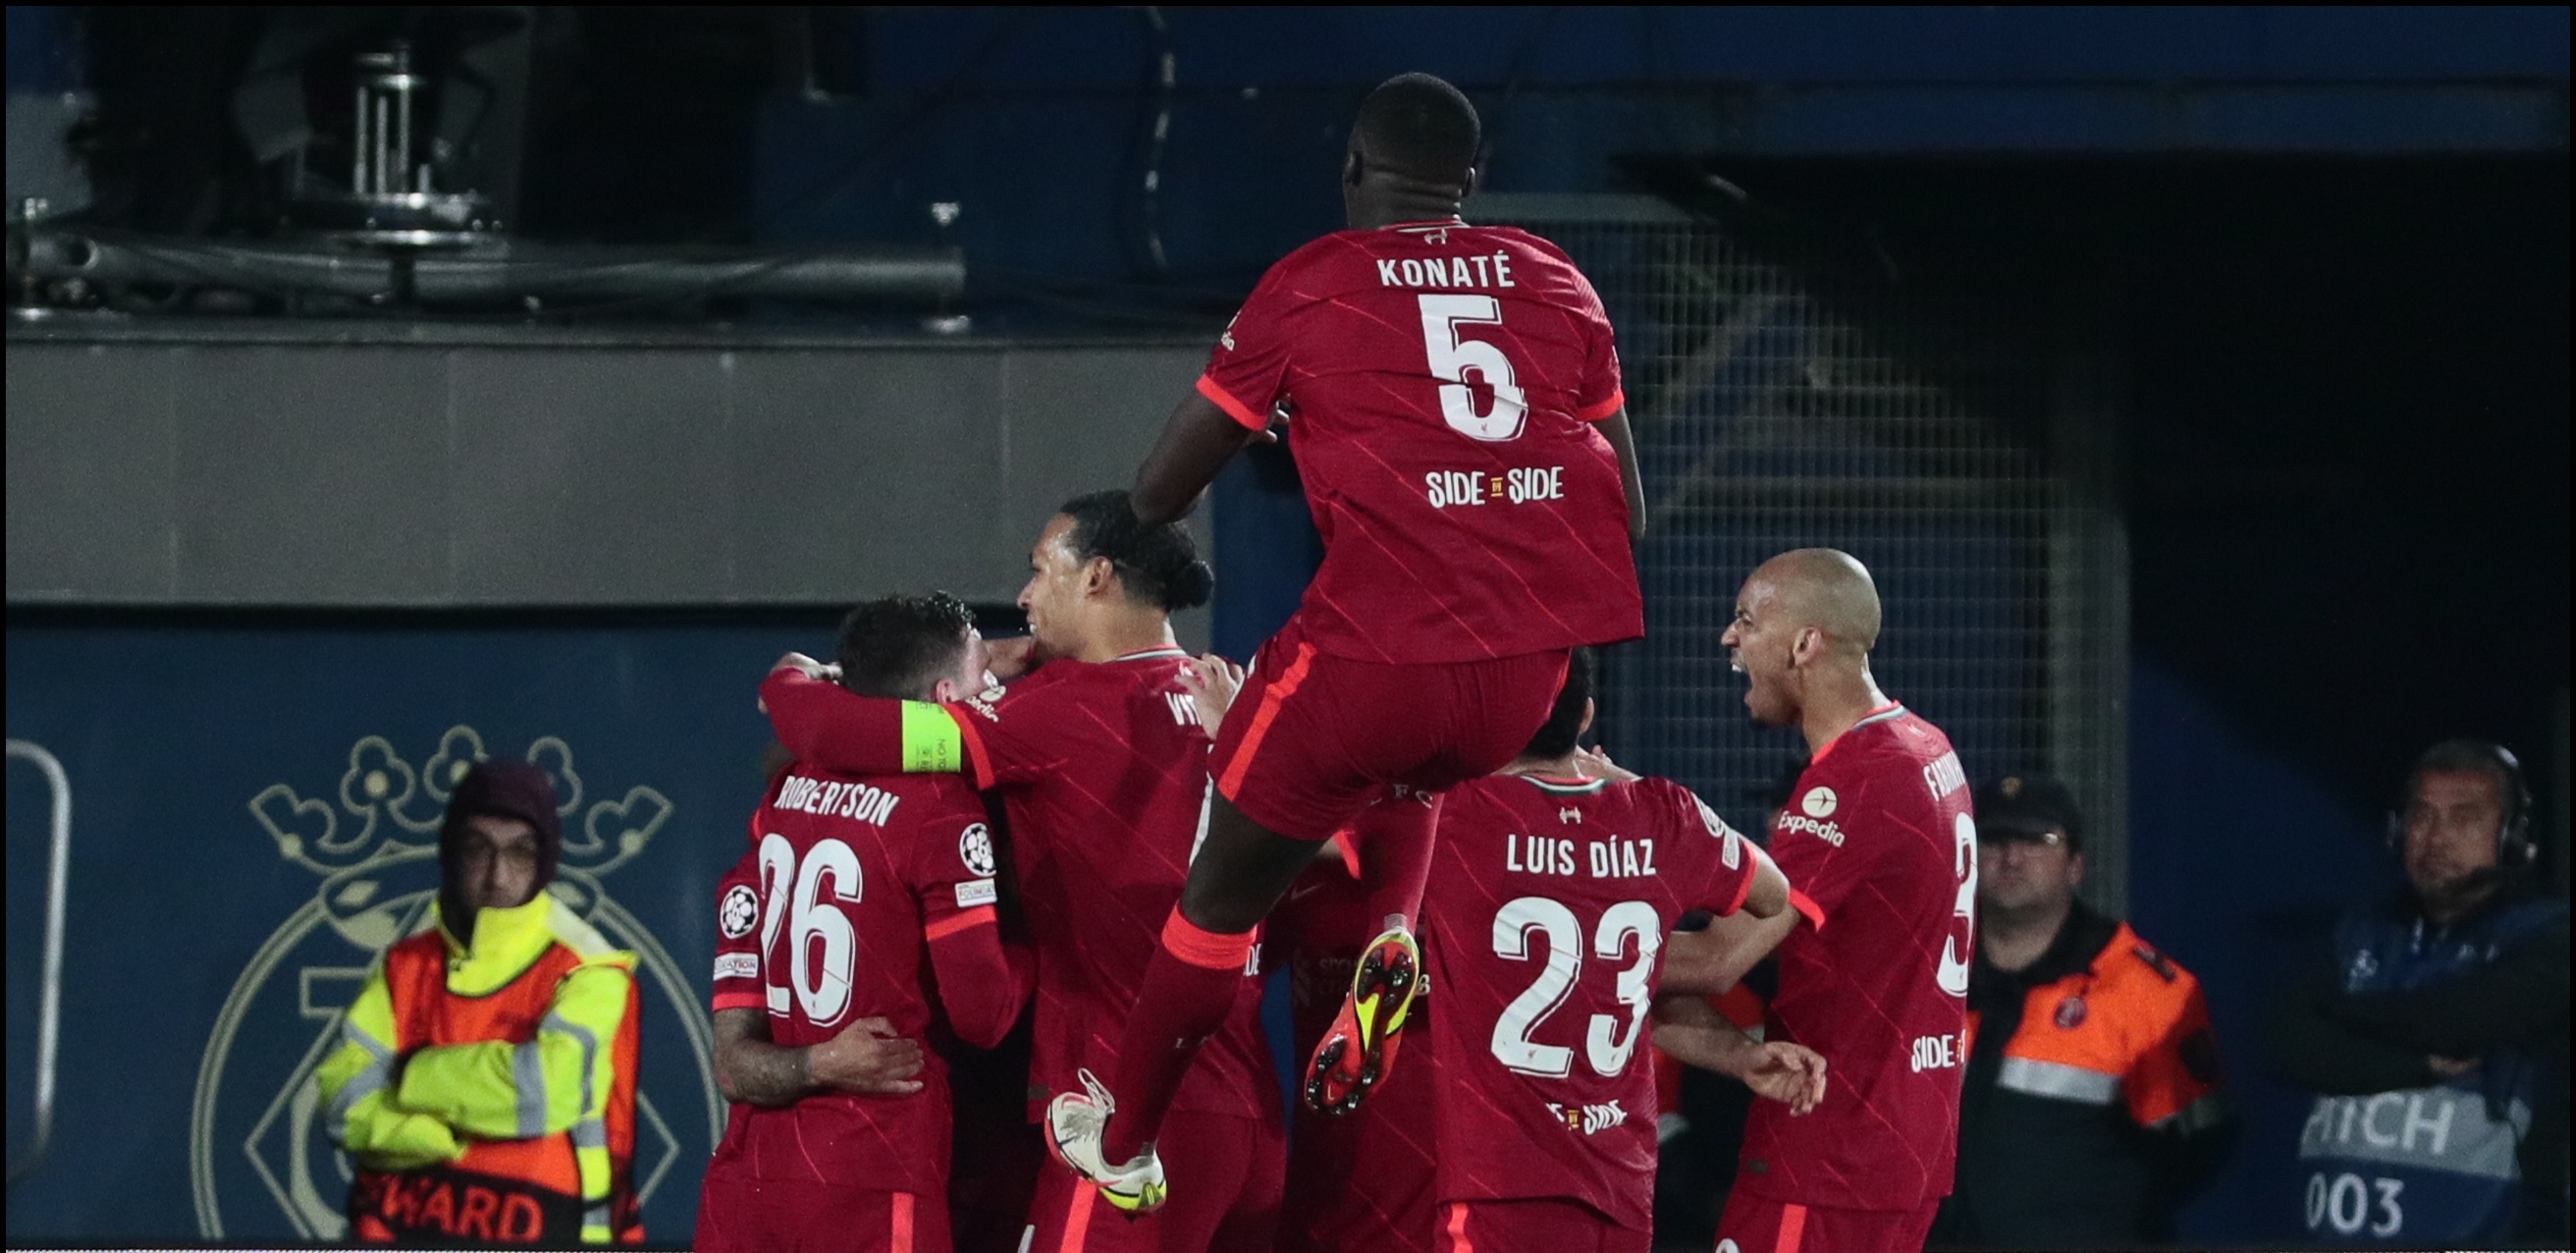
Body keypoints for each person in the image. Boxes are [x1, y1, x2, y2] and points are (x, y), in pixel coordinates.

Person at [1061, 69, 1651, 1214]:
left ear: (1349, 170)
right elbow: (1621, 512)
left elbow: (1159, 489)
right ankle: (1391, 924)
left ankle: (1121, 1137)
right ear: (1469, 183)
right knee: (1411, 765)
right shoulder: (1556, 280)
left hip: (1373, 657)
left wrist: (1290, 414)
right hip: (1522, 683)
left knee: (1217, 895)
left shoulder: (1311, 284)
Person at [758, 493, 1286, 1251]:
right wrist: (1027, 653)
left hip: (1124, 1118)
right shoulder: (1224, 697)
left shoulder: (1060, 715)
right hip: (1246, 1114)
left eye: (1040, 572)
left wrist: (794, 677)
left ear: (1096, 577)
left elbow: (834, 729)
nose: (1025, 597)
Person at [1415, 647, 1816, 1251]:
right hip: (1620, 1186)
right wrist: (1623, 783)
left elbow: (1305, 839)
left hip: (1503, 1185)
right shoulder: (1661, 813)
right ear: (1586, 719)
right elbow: (1775, 893)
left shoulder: (1452, 818)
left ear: (1485, 717)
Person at [1654, 548, 1976, 1253]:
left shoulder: (1859, 778)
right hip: (1898, 1143)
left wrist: (1578, 936)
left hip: (1831, 1151)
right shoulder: (1926, 746)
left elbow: (1716, 961)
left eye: (1746, 619)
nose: (1728, 638)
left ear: (1806, 643)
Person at [696, 592, 1037, 1253]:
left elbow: (733, 1066)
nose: (993, 684)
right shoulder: (940, 808)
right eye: (981, 673)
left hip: (750, 1173)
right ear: (944, 699)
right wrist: (1042, 943)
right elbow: (984, 1014)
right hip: (871, 1167)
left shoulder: (783, 790)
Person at [315, 760, 644, 1244]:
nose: (497, 876)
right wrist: (441, 1139)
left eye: (520, 852)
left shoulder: (589, 967)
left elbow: (545, 1093)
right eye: (479, 849)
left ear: (545, 861)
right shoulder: (406, 965)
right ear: (451, 853)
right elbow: (344, 1103)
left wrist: (410, 1076)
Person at [2265, 739, 2570, 1246]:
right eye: (2422, 817)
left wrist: (2338, 1016)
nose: (2436, 838)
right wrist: (2417, 1067)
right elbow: (2285, 1042)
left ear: (2513, 838)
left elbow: (2459, 1020)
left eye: (2464, 819)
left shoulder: (2551, 938)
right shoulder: (2360, 934)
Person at [1930, 773, 2232, 1249]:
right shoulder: (1923, 975)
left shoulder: (2143, 991)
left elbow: (2200, 1144)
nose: (2012, 857)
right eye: (1994, 838)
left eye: (2038, 840)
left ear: (2076, 865)